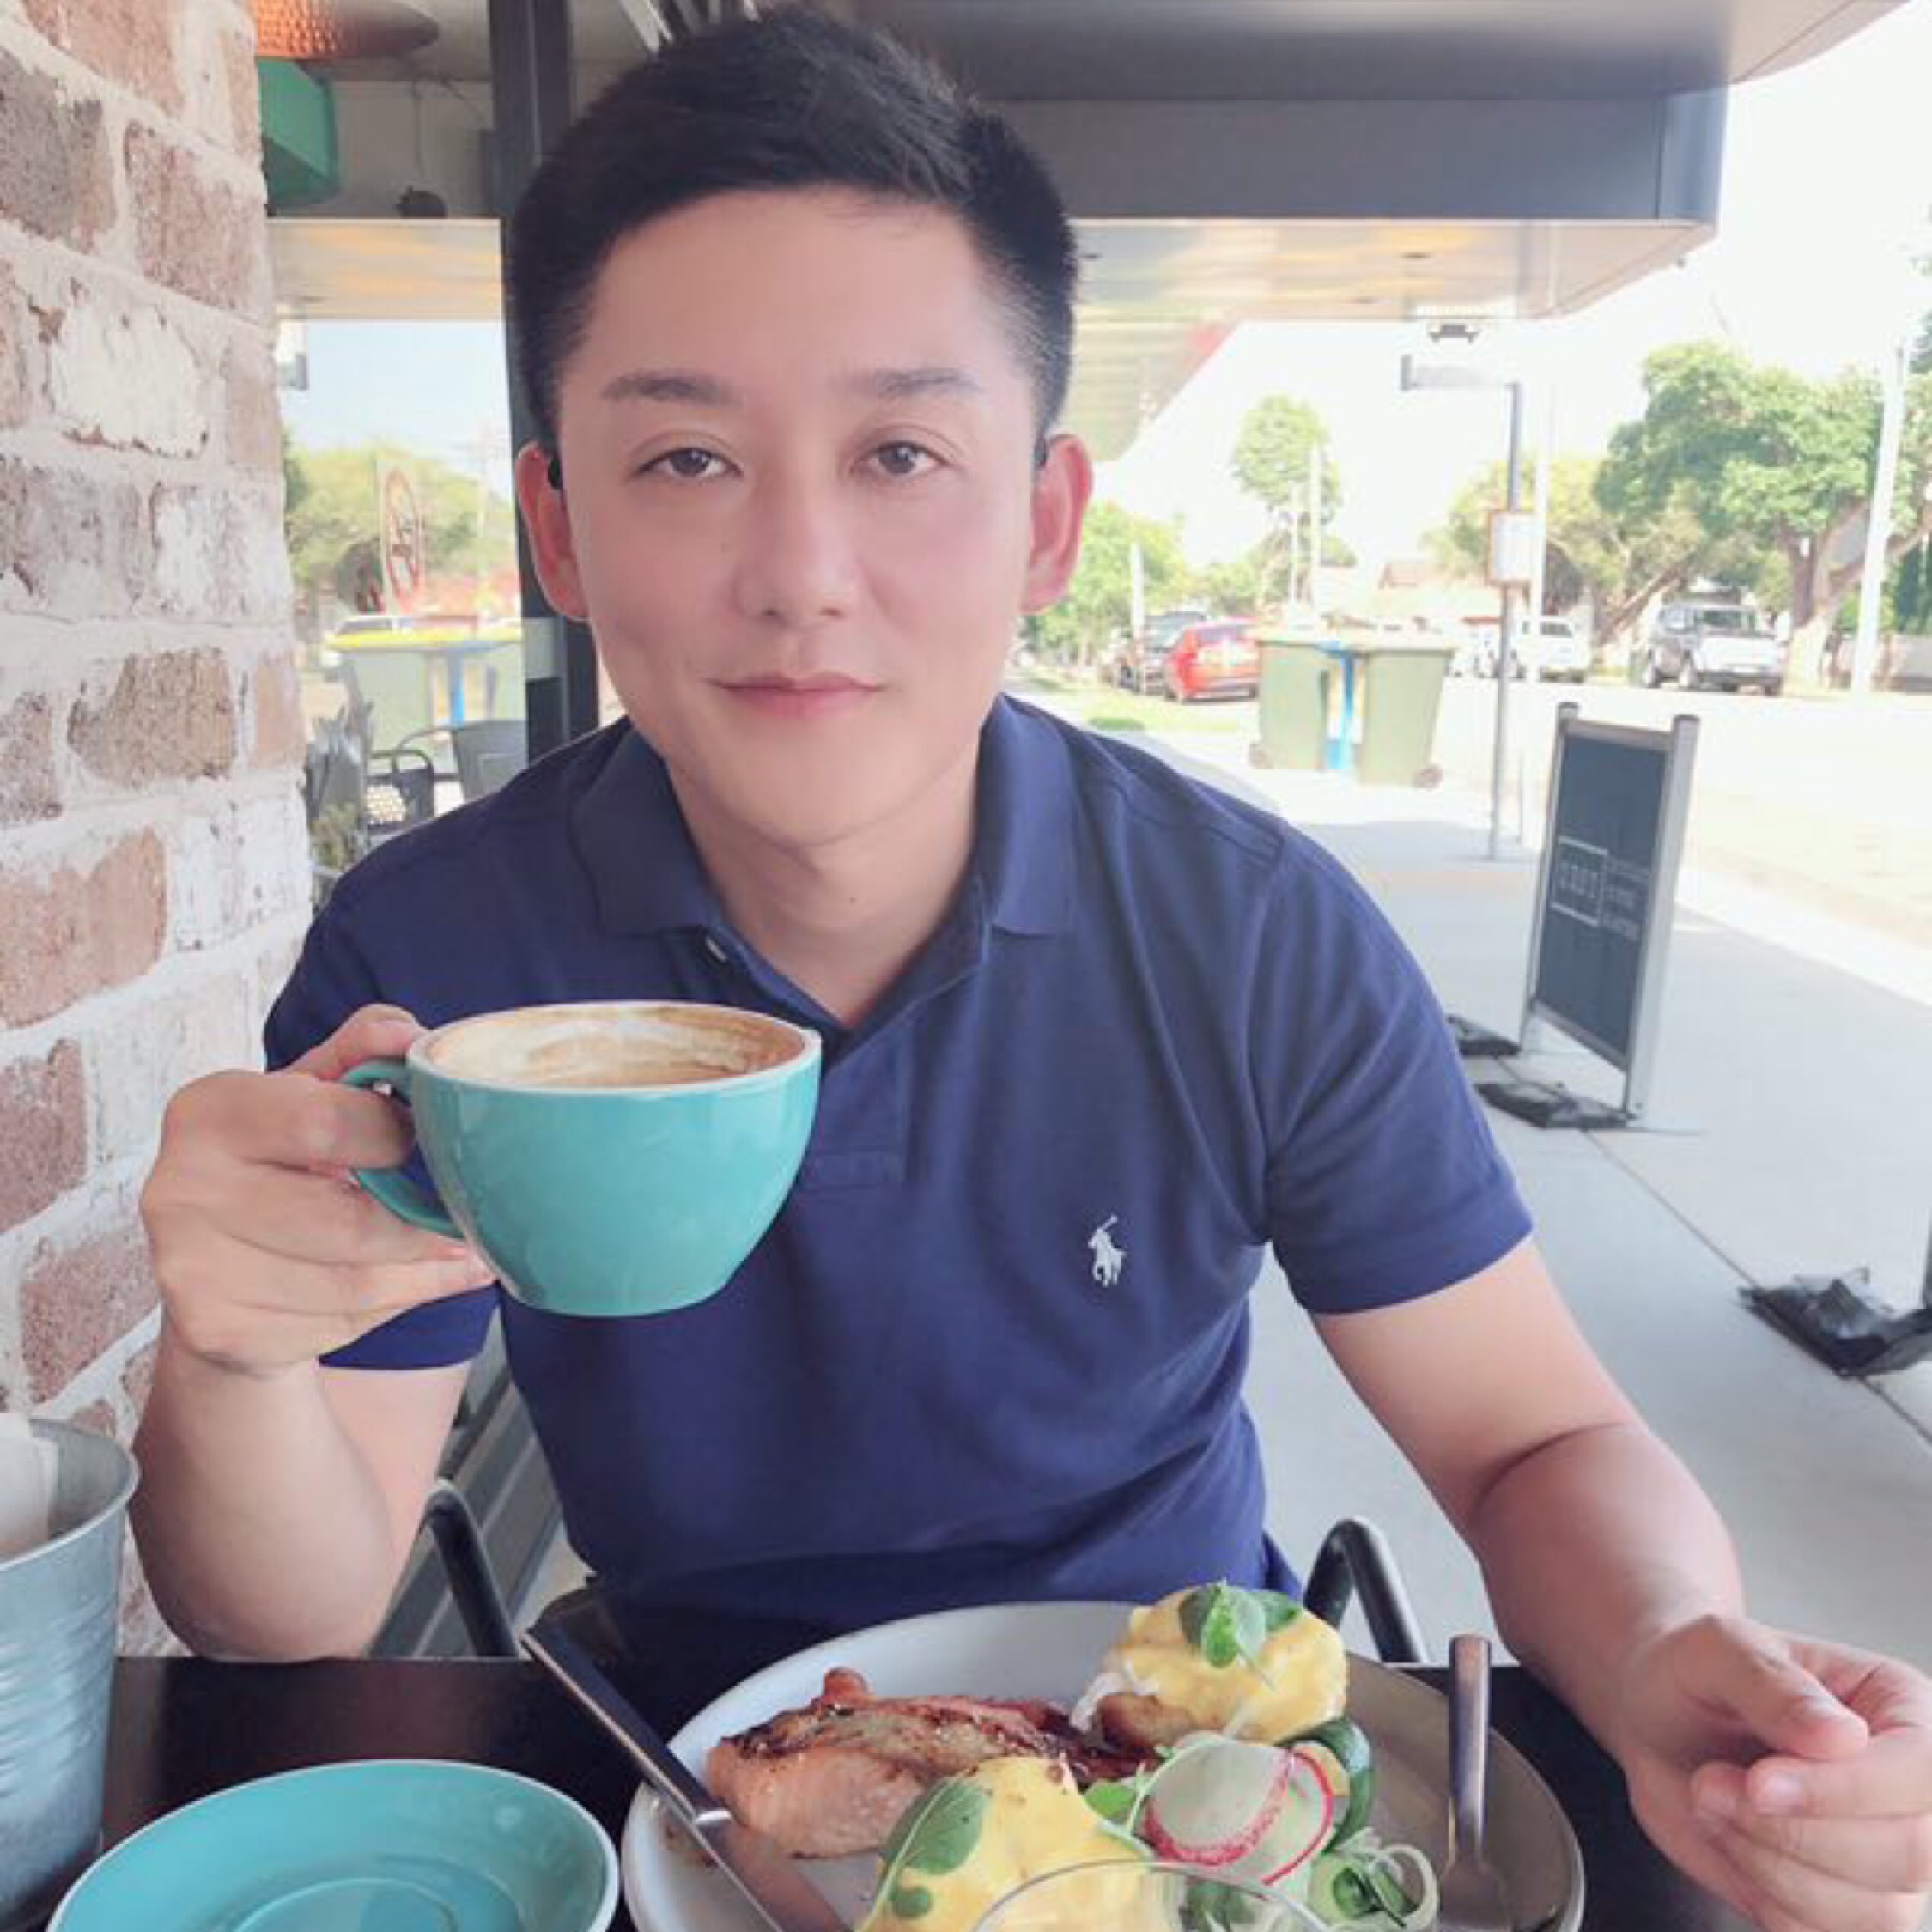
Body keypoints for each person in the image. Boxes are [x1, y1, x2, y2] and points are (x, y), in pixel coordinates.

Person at [134, 12, 1929, 1931]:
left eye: (902, 451)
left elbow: (1534, 1438)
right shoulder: (438, 959)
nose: (802, 570)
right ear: (559, 529)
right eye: (686, 456)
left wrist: (1667, 1653)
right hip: (695, 1797)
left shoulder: (1248, 933)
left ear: (1047, 521)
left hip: (1182, 1782)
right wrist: (230, 1354)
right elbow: (288, 1617)